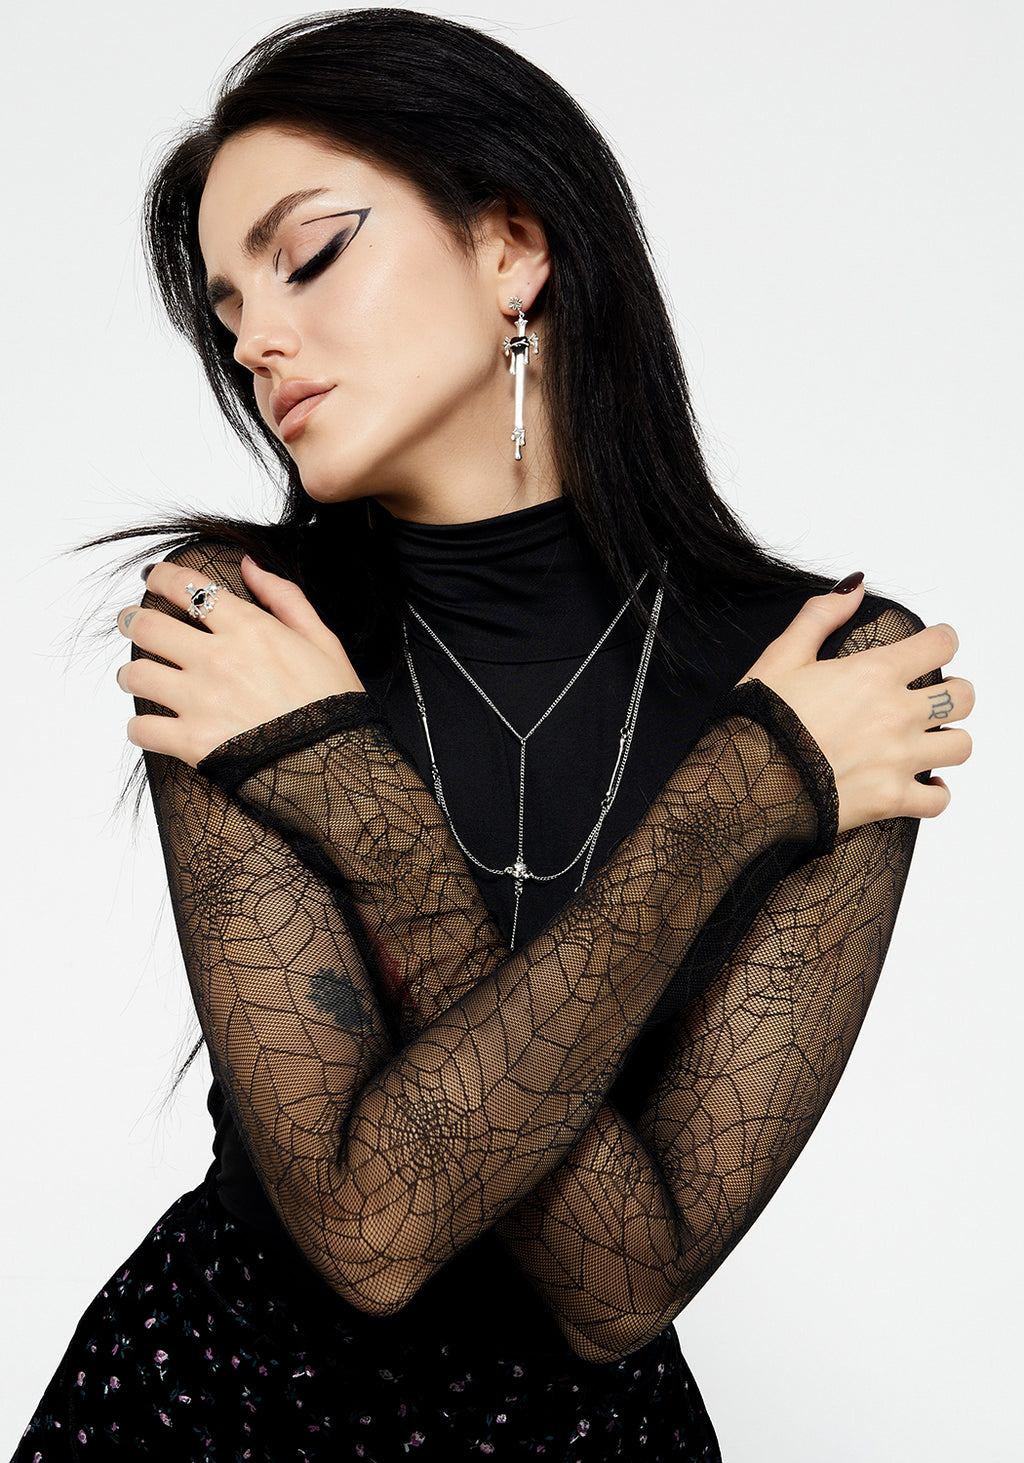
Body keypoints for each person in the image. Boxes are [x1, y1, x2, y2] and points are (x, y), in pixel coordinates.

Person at [14, 9, 973, 1461]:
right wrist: (747, 793)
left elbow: (620, 1293)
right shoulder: (242, 628)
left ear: (513, 247)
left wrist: (358, 801)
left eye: (310, 254)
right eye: (226, 311)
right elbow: (371, 1232)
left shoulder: (836, 679)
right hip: (212, 1408)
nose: (257, 340)